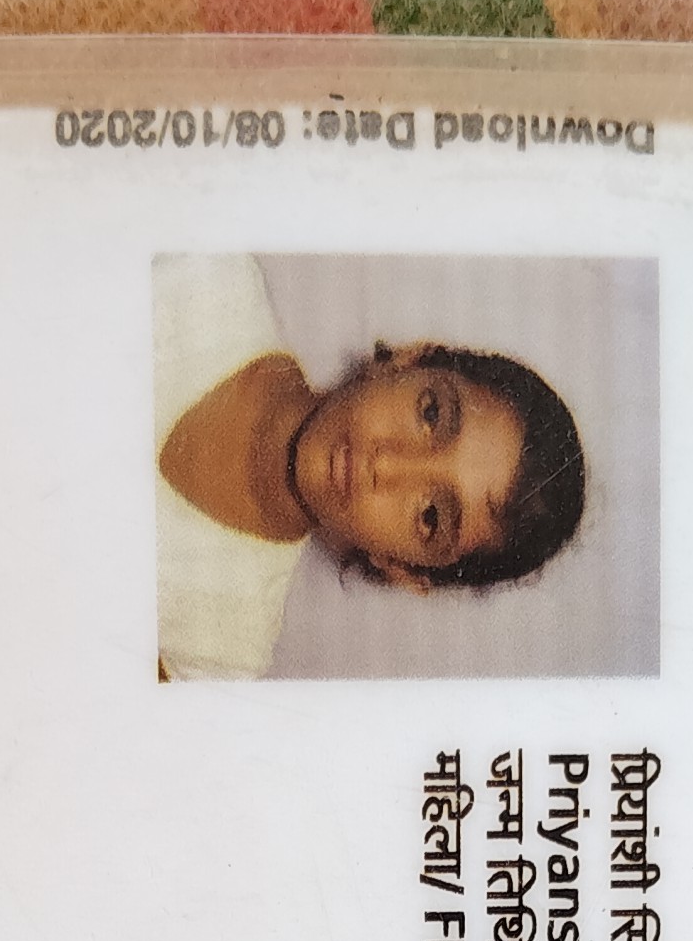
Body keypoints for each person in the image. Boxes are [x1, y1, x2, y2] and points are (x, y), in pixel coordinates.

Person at [154, 253, 586, 681]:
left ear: (402, 569)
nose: (388, 464)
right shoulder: (206, 275)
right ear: (408, 360)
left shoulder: (221, 652)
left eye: (430, 516)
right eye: (431, 414)